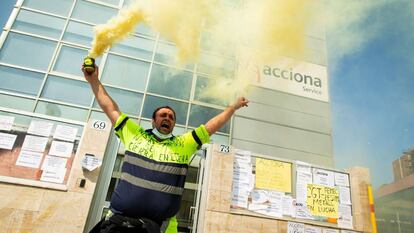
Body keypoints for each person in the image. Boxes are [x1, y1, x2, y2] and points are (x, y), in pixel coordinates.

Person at [82, 64, 249, 233]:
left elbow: (210, 127)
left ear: (173, 124)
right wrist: (94, 80)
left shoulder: (184, 144)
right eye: (163, 115)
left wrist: (233, 107)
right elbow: (110, 108)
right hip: (118, 224)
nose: (167, 118)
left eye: (171, 117)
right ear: (153, 121)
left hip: (158, 227)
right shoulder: (135, 134)